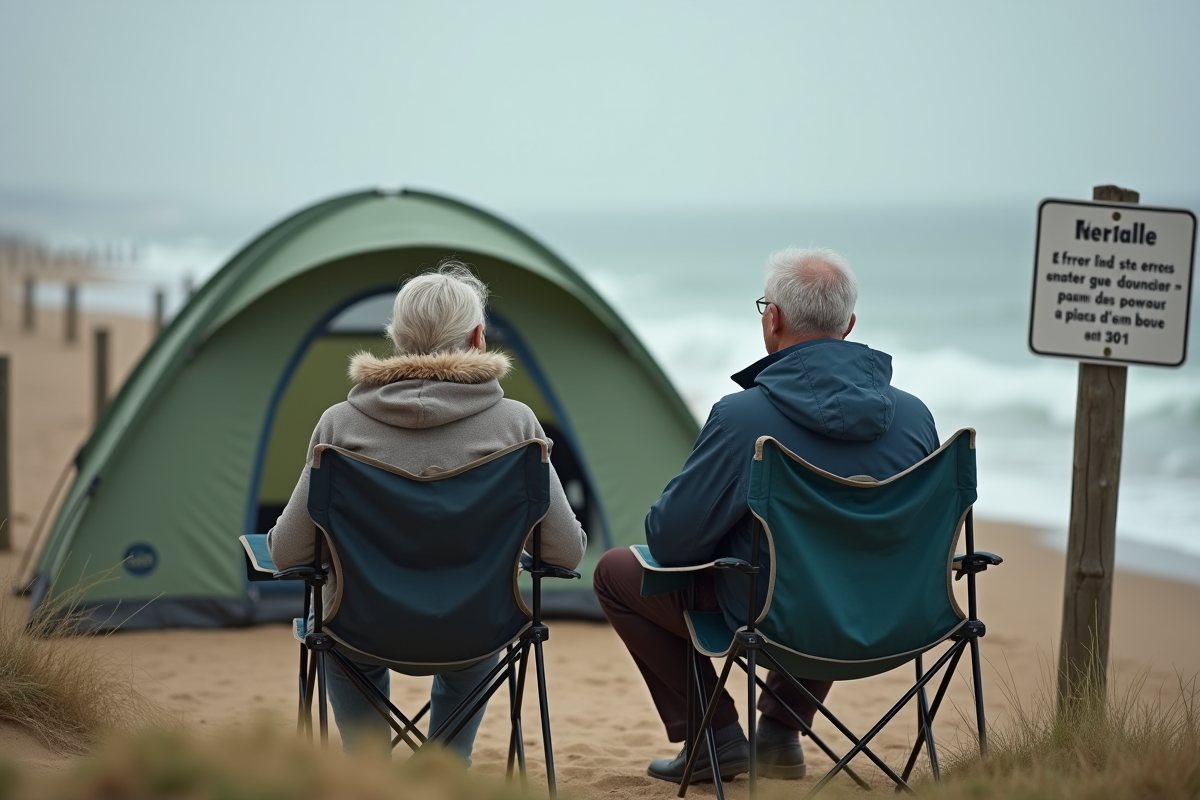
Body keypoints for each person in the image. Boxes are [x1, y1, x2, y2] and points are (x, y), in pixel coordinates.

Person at [594, 247, 939, 783]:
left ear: (771, 318)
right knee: (837, 555)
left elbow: (671, 544)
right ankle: (779, 734)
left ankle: (715, 737)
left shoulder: (743, 418)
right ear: (849, 324)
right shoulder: (916, 418)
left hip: (770, 620)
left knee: (616, 573)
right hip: (892, 619)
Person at [268, 260, 587, 760]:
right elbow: (565, 554)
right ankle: (444, 773)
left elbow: (288, 554)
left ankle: (369, 773)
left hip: (358, 629)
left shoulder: (338, 426)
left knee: (328, 622)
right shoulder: (516, 427)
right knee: (471, 652)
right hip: (477, 631)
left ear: (396, 338)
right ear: (478, 337)